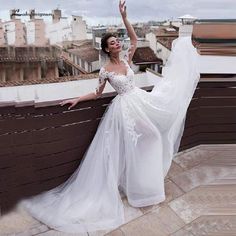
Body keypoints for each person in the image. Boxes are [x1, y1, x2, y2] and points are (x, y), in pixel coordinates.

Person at [17, 0, 200, 234]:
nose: (117, 43)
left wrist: (124, 17)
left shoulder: (126, 60)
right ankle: (137, 188)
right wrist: (76, 99)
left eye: (116, 41)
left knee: (151, 139)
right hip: (123, 111)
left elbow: (134, 39)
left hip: (139, 102)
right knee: (138, 144)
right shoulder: (105, 71)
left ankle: (144, 187)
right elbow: (97, 93)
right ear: (106, 49)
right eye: (113, 42)